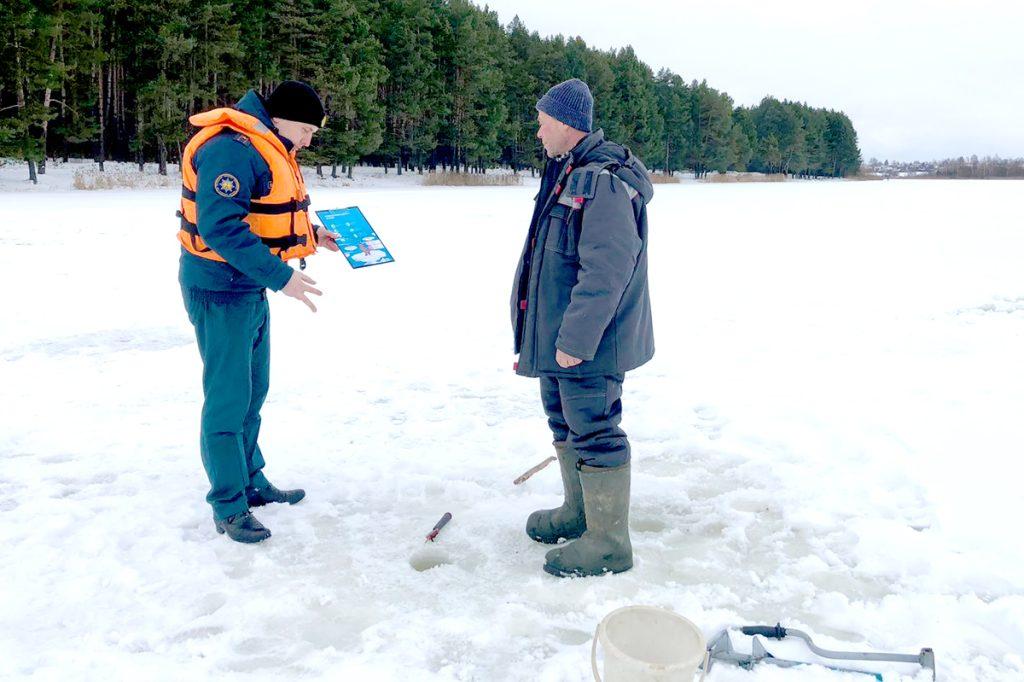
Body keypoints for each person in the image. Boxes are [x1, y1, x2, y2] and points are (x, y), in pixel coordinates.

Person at [177, 80, 339, 543]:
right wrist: (282, 276)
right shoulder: (231, 149)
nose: (307, 141)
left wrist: (310, 237)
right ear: (281, 117)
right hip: (219, 288)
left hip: (247, 285)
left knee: (253, 390)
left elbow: (262, 214)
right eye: (306, 130)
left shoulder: (265, 144)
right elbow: (221, 227)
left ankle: (252, 480)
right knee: (228, 399)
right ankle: (229, 504)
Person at [510, 78, 655, 577]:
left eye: (543, 120)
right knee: (564, 421)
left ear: (566, 124)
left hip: (587, 343)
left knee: (595, 429)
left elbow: (608, 269)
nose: (538, 130)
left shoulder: (603, 181)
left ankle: (610, 543)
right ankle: (580, 514)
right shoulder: (566, 172)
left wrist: (575, 341)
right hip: (559, 337)